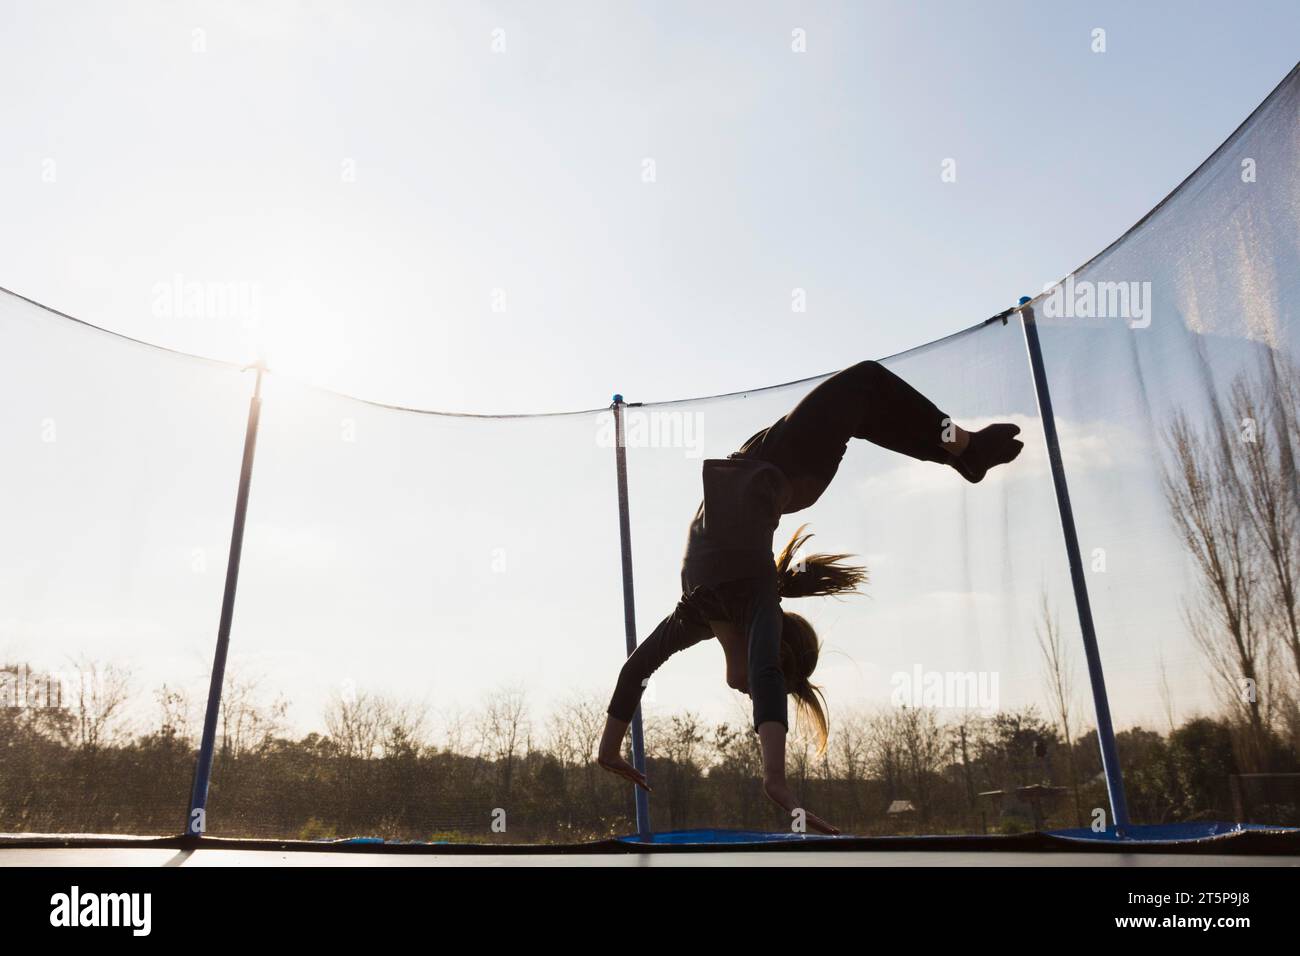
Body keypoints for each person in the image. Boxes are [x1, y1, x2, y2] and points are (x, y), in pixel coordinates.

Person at [597, 360, 1024, 834]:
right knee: (865, 384)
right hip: (783, 463)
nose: (743, 690)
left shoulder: (693, 617)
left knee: (865, 405)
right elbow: (762, 673)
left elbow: (636, 669)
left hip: (777, 468)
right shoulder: (757, 599)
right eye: (762, 691)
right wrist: (774, 779)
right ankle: (965, 449)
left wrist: (609, 748)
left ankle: (962, 454)